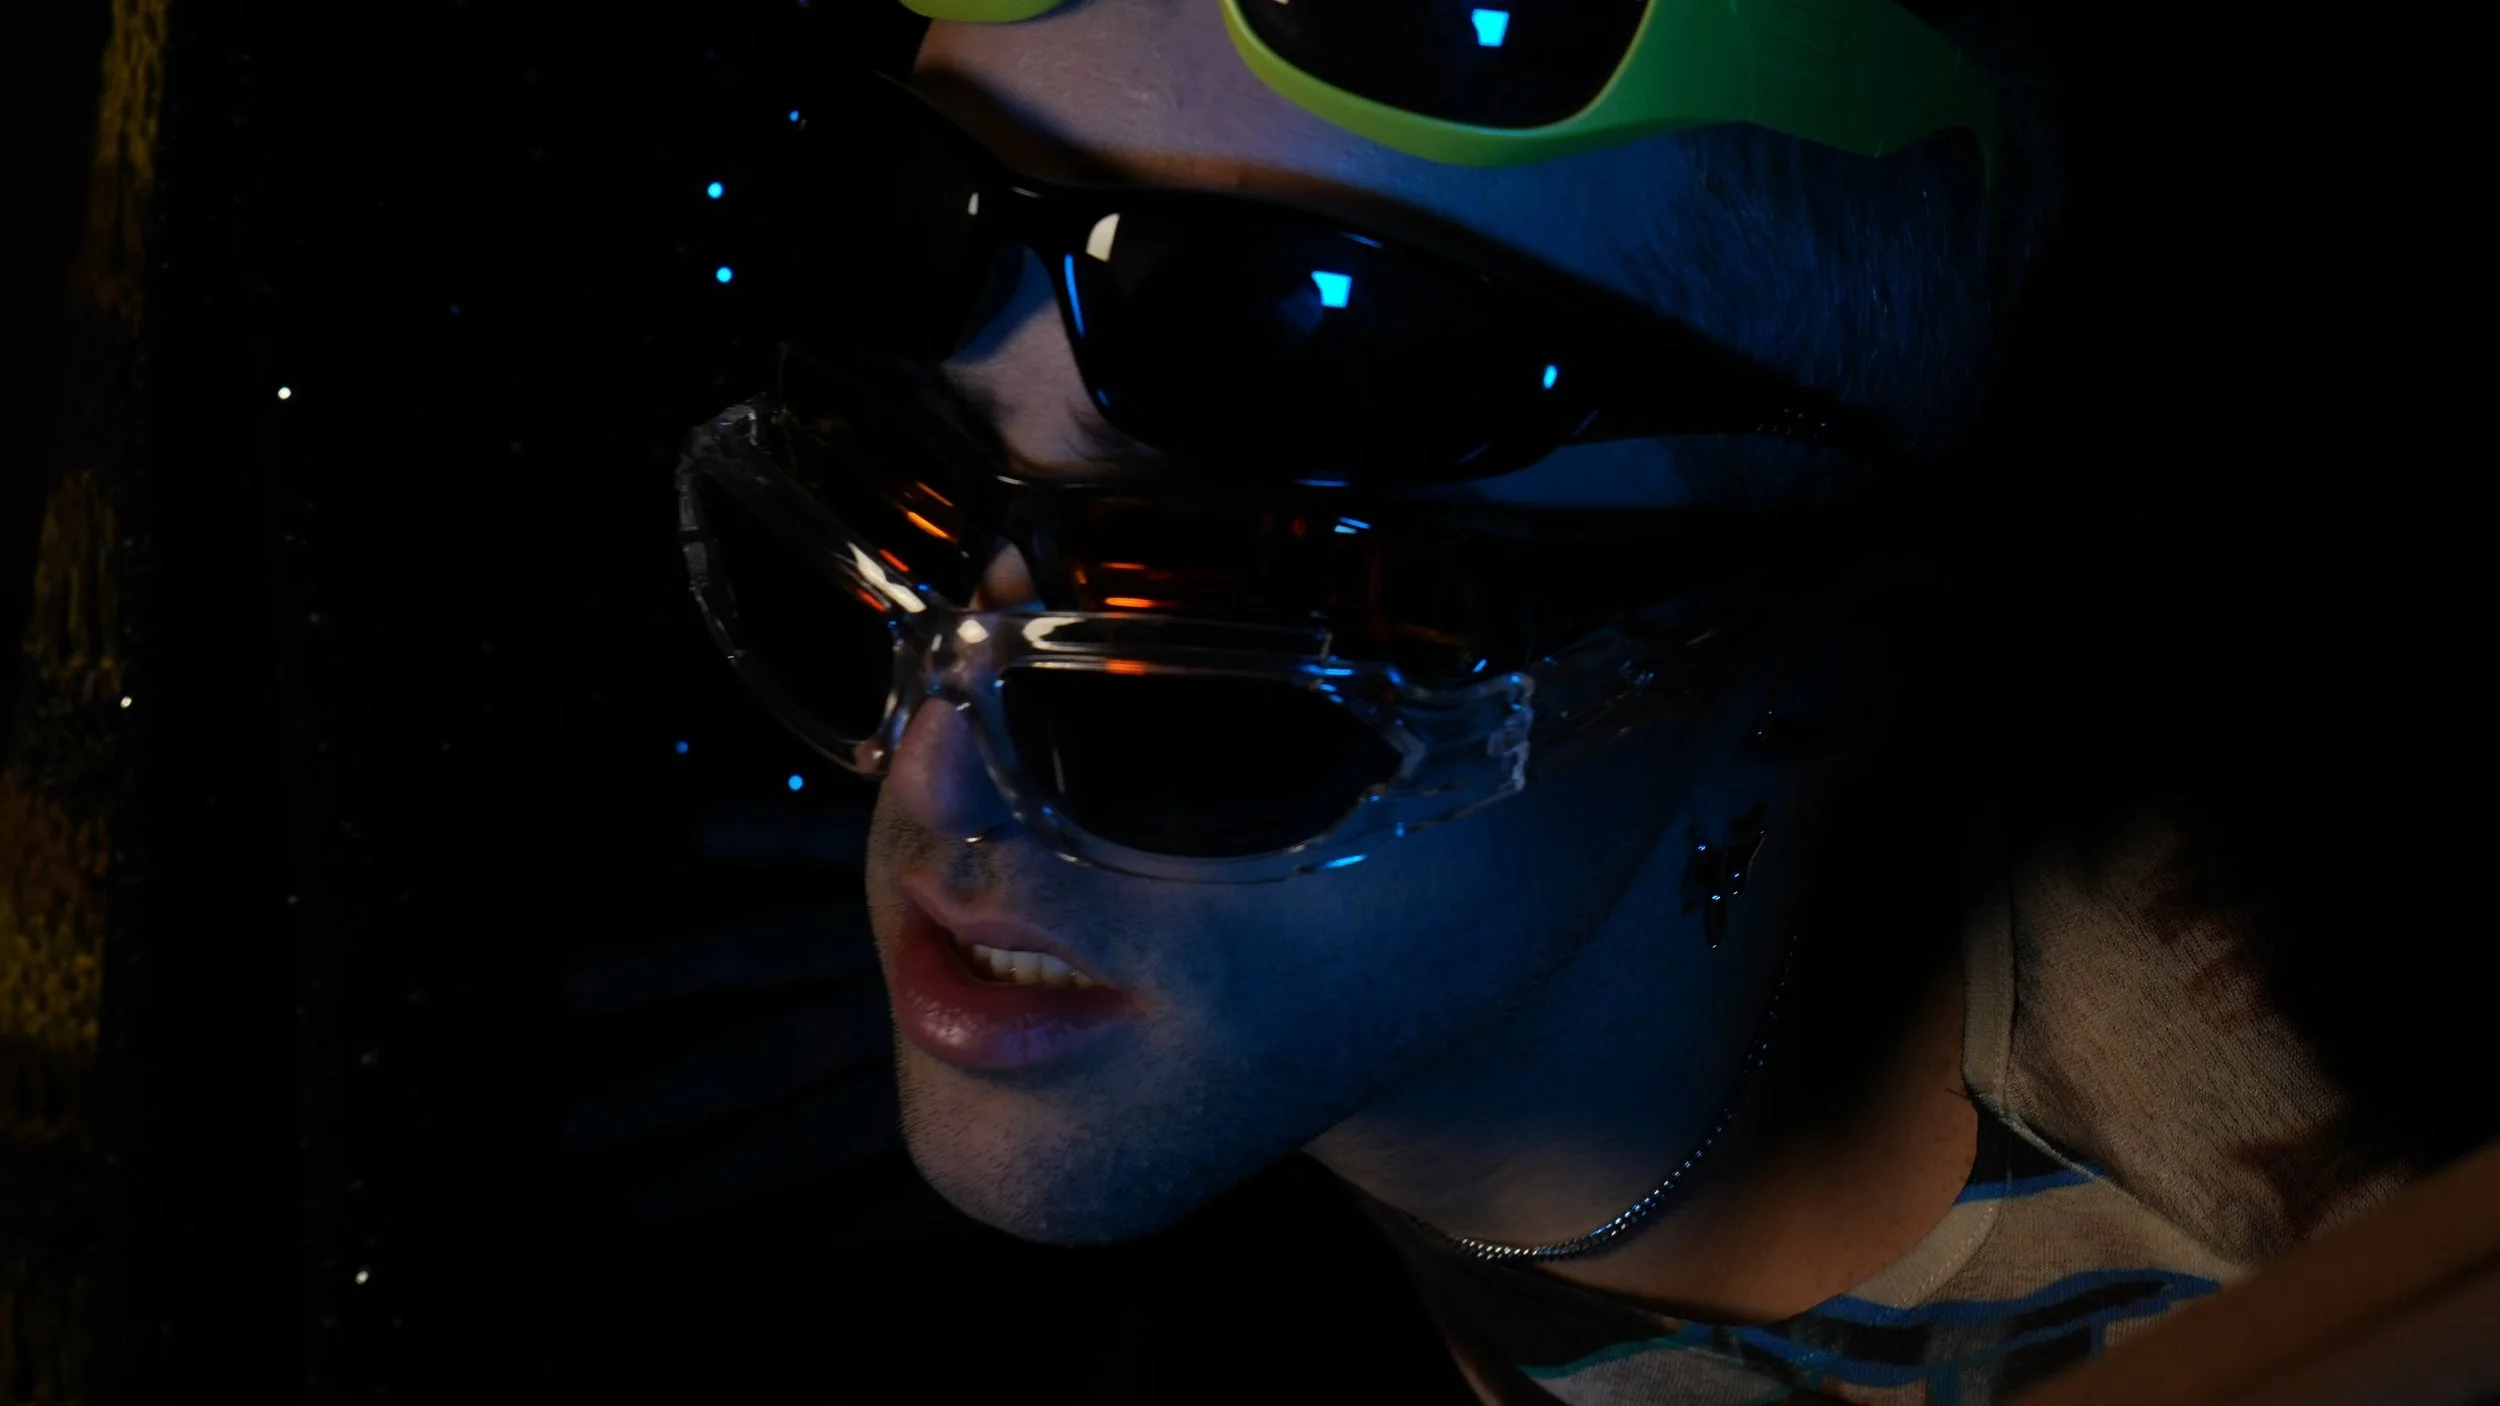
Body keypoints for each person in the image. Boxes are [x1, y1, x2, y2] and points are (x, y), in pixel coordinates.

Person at [671, 2, 2484, 1400]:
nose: (939, 787)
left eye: (1220, 654)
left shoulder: (2336, 1230)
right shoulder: (1091, 1111)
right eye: (897, 499)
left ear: (1802, 668)